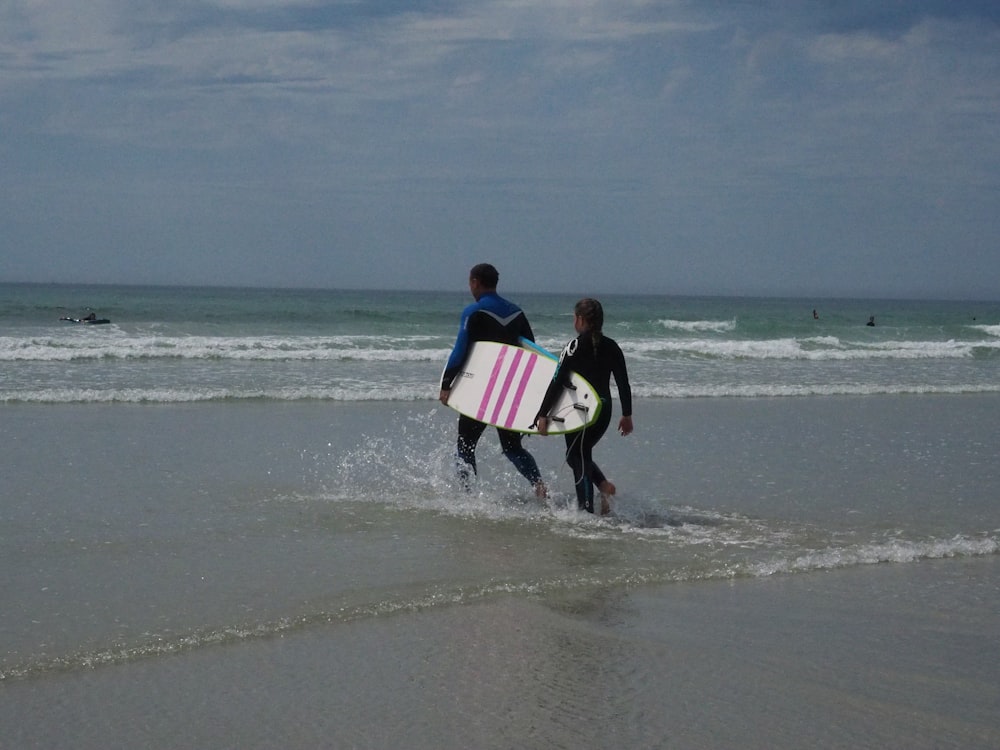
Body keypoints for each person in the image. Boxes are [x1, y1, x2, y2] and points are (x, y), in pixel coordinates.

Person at [440, 263, 547, 498]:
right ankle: (538, 485)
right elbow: (531, 353)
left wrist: (446, 384)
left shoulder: (473, 312)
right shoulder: (517, 312)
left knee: (465, 445)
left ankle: (467, 496)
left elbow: (460, 351)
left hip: (479, 390)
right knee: (512, 448)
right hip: (508, 391)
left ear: (475, 282)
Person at [534, 298, 633, 515]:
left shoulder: (573, 347)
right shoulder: (612, 347)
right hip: (604, 411)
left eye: (574, 318)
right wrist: (627, 415)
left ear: (580, 319)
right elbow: (623, 383)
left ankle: (586, 512)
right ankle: (603, 487)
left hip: (582, 411)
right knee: (578, 455)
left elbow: (557, 382)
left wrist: (543, 414)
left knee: (578, 457)